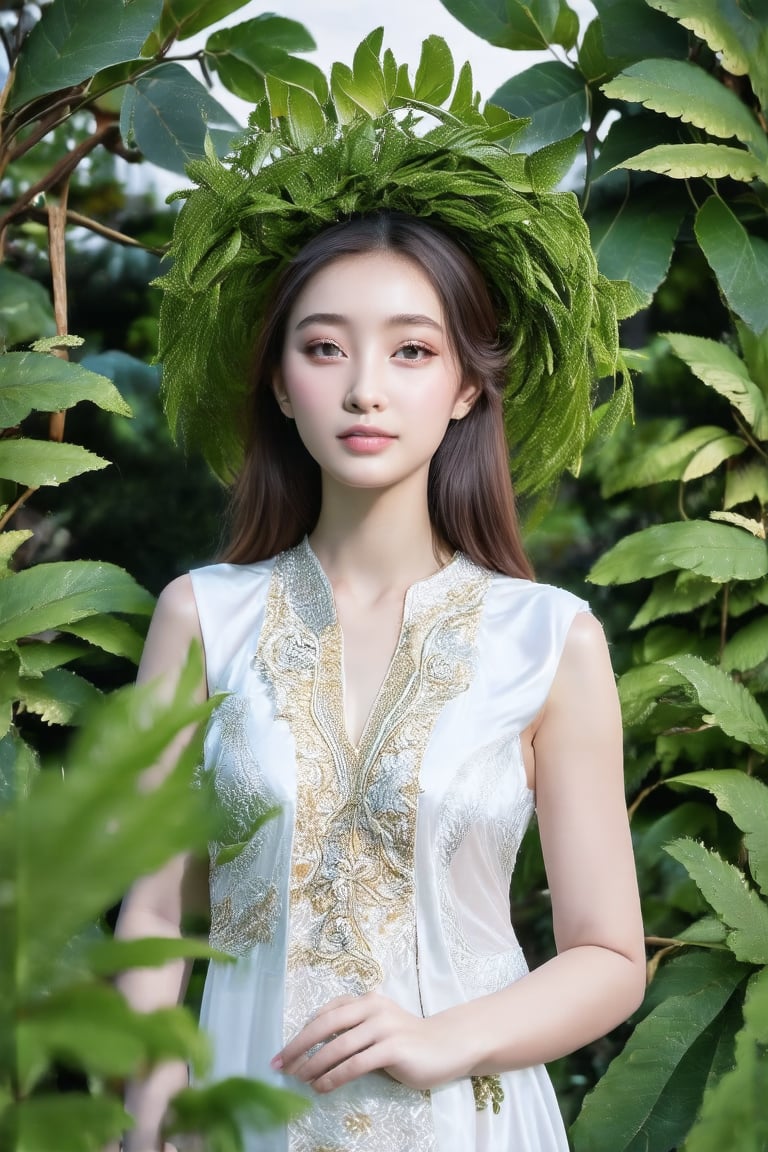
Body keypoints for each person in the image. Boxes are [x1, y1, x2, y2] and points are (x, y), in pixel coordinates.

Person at [113, 43, 645, 1152]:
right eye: (324, 347)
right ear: (277, 379)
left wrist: (442, 1039)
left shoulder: (548, 639)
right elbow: (154, 920)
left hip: (469, 1123)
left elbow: (607, 957)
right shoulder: (204, 615)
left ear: (465, 387)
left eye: (411, 351)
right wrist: (147, 1117)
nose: (363, 387)